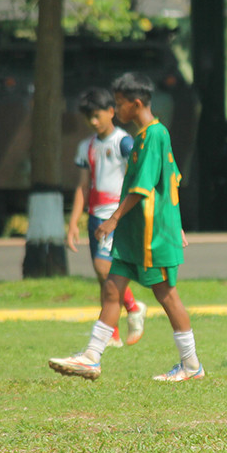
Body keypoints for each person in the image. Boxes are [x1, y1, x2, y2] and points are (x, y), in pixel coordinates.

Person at [49, 73, 203, 381]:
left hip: (150, 235)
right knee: (111, 288)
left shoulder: (154, 136)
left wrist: (114, 219)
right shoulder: (144, 136)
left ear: (136, 103)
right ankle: (92, 357)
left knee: (167, 296)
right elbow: (171, 181)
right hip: (134, 234)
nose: (116, 110)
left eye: (119, 104)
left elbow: (143, 187)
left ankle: (191, 365)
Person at [66, 87, 146, 348]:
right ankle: (112, 331)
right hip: (94, 217)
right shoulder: (85, 146)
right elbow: (82, 185)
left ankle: (133, 307)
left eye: (97, 115)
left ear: (112, 112)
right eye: (89, 117)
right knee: (103, 277)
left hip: (116, 215)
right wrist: (73, 222)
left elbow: (137, 175)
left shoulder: (123, 142)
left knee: (105, 269)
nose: (93, 122)